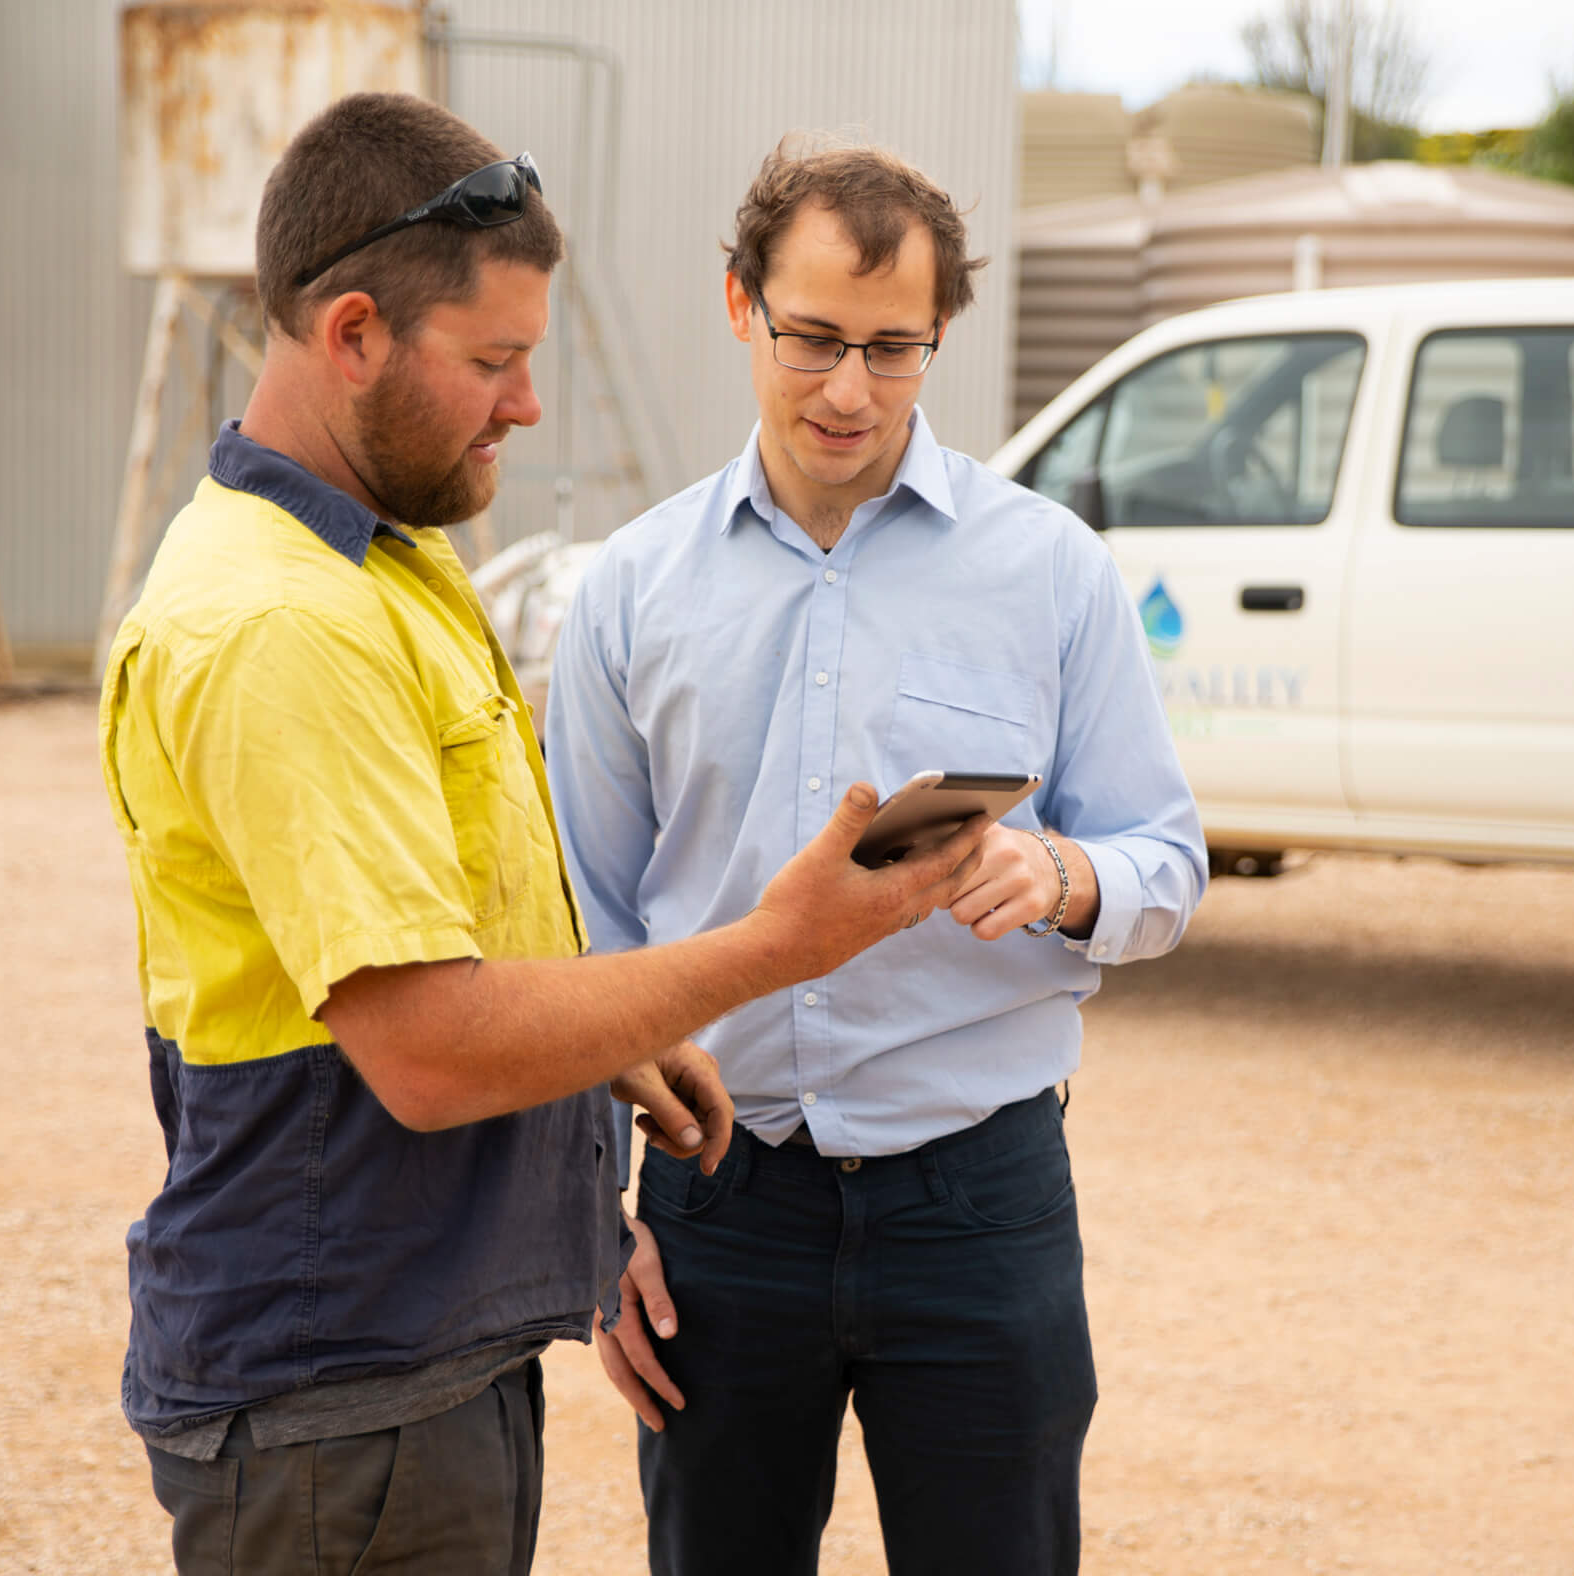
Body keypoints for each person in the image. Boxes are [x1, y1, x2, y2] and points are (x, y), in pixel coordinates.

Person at [96, 95, 987, 1576]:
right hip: (338, 1397)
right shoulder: (277, 626)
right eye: (495, 363)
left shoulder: (382, 559)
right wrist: (779, 946)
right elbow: (430, 1047)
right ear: (357, 333)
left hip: (412, 1360)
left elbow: (454, 938)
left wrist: (604, 1046)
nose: (526, 407)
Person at [543, 140, 1208, 1575]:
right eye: (813, 339)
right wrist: (594, 1217)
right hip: (716, 1202)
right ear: (738, 305)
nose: (849, 390)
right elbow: (585, 928)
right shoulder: (630, 594)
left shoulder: (1052, 571)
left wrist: (1065, 877)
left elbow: (1168, 856)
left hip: (978, 1201)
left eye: (893, 349)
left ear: (940, 335)